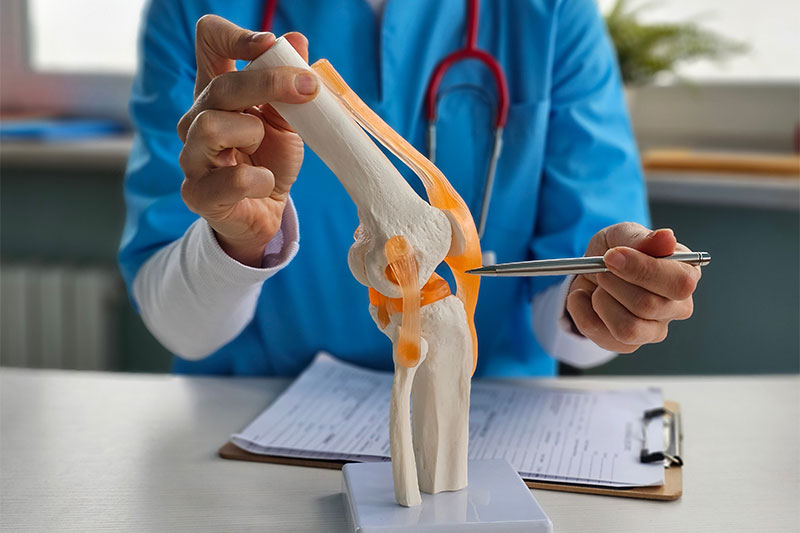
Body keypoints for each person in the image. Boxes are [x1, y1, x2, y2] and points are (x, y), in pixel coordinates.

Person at [119, 0, 701, 377]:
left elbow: (572, 298)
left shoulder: (550, 16)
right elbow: (180, 327)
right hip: (254, 425)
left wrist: (602, 300)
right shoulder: (201, 19)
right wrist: (235, 244)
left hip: (491, 426)